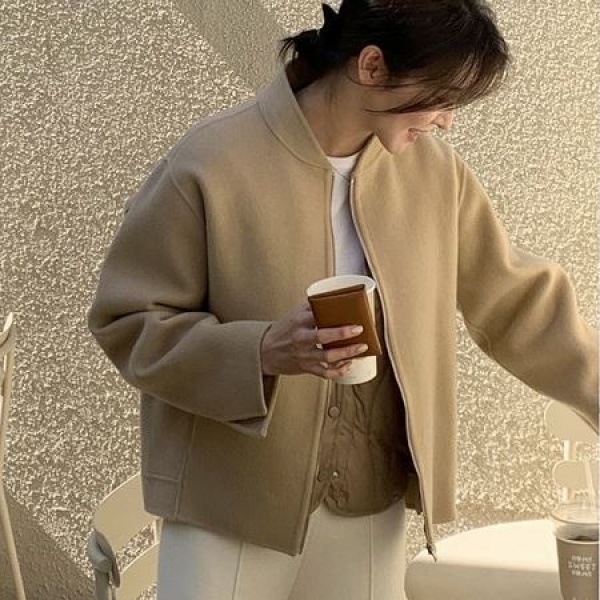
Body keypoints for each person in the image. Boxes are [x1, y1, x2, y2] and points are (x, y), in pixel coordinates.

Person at [87, 1, 599, 598]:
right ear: (372, 65)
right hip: (231, 508)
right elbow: (128, 320)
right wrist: (261, 350)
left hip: (368, 502)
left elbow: (518, 303)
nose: (446, 121)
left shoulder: (435, 174)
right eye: (438, 97)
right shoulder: (211, 162)